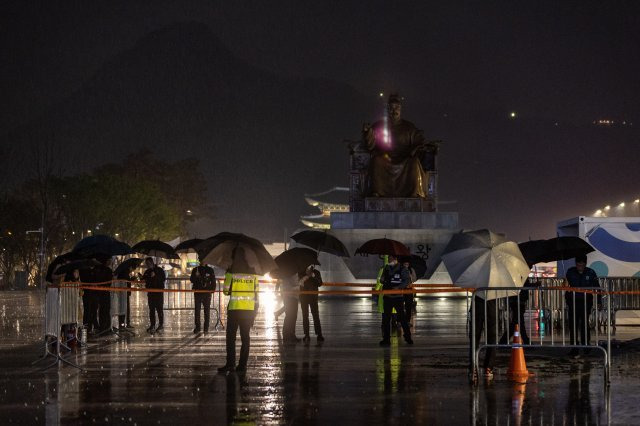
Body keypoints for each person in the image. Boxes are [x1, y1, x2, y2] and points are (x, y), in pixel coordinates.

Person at [362, 94, 438, 198]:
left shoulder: (409, 127)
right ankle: (377, 192)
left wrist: (420, 148)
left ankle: (414, 192)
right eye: (392, 108)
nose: (394, 111)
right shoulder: (379, 126)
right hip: (385, 158)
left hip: (406, 159)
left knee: (414, 163)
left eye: (397, 107)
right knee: (376, 161)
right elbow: (370, 145)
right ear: (388, 109)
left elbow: (419, 142)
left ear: (400, 109)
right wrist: (368, 132)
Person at [218, 248, 259, 373]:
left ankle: (230, 364)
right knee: (245, 338)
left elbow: (226, 291)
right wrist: (255, 312)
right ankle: (242, 365)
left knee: (231, 338)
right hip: (248, 310)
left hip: (234, 309)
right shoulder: (253, 273)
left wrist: (227, 278)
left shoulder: (231, 272)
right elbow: (256, 294)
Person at [564, 255, 600, 356]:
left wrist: (599, 301)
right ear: (576, 264)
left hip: (586, 302)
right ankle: (574, 347)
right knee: (573, 325)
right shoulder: (570, 272)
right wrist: (567, 297)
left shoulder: (591, 272)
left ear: (585, 264)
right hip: (573, 302)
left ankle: (586, 346)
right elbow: (566, 286)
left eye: (582, 264)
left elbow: (597, 287)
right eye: (578, 264)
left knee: (584, 325)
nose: (580, 266)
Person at [379, 255, 413, 346]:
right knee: (386, 319)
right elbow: (382, 280)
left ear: (395, 259)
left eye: (391, 259)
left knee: (402, 318)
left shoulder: (402, 268)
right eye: (389, 259)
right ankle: (386, 339)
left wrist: (398, 287)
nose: (389, 260)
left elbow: (407, 281)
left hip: (398, 297)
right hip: (387, 297)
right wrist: (382, 280)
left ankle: (408, 337)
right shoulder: (386, 268)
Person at [470, 295, 498, 379]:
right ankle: (487, 367)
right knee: (491, 336)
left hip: (479, 300)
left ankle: (474, 367)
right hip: (489, 301)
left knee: (475, 336)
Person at [299, 265, 324, 343]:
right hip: (304, 297)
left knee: (316, 315)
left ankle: (319, 334)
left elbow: (320, 283)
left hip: (313, 297)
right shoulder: (301, 273)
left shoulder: (316, 272)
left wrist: (313, 276)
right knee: (305, 316)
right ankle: (306, 334)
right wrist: (306, 276)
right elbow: (300, 284)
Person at [190, 261, 216, 333]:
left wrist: (212, 290)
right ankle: (197, 327)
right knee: (197, 310)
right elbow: (192, 280)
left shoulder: (210, 270)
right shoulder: (195, 269)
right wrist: (196, 276)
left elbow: (213, 280)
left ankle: (206, 327)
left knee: (207, 311)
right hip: (198, 292)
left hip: (207, 293)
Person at [142, 257, 166, 333]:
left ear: (152, 262)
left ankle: (161, 324)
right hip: (151, 294)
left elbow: (163, 279)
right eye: (146, 264)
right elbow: (145, 279)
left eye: (148, 263)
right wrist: (146, 277)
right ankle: (152, 325)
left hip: (158, 293)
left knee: (159, 309)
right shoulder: (147, 271)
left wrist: (155, 276)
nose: (147, 265)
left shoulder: (159, 270)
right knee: (151, 310)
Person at [93, 256, 114, 333]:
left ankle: (104, 326)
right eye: (109, 260)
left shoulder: (97, 269)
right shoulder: (107, 270)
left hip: (100, 293)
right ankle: (105, 327)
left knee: (103, 310)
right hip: (104, 293)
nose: (110, 262)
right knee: (104, 310)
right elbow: (109, 283)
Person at [281, 271, 301, 343]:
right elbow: (288, 287)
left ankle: (290, 335)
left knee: (292, 317)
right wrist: (299, 286)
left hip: (294, 297)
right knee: (290, 316)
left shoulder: (294, 273)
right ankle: (288, 335)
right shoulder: (288, 274)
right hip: (289, 297)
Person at [116, 264, 135, 329]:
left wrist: (131, 279)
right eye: (132, 269)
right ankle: (122, 324)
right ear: (130, 267)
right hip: (123, 293)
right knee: (124, 309)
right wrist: (131, 279)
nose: (132, 270)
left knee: (124, 308)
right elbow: (126, 282)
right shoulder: (125, 273)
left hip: (124, 293)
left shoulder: (124, 272)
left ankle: (124, 323)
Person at [400, 257, 418, 325]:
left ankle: (407, 321)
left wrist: (410, 277)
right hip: (402, 289)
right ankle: (400, 321)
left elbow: (414, 279)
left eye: (407, 263)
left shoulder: (411, 269)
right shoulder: (400, 269)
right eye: (405, 263)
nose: (406, 264)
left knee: (408, 306)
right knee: (400, 306)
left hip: (409, 289)